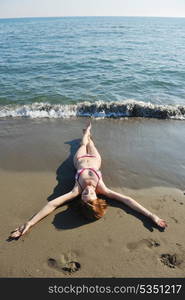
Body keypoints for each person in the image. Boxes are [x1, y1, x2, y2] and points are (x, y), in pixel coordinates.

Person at [9, 122, 167, 239]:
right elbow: (127, 200)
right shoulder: (102, 189)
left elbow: (52, 204)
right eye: (90, 193)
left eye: (85, 194)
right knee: (91, 143)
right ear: (97, 198)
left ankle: (86, 133)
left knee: (83, 143)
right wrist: (151, 216)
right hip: (95, 160)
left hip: (79, 160)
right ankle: (88, 132)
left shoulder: (76, 190)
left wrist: (29, 223)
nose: (88, 191)